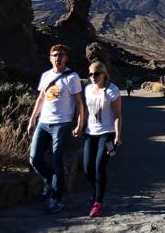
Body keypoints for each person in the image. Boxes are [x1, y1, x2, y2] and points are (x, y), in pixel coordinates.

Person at [28, 44, 85, 214]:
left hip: (62, 123)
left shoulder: (72, 77)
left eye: (61, 55)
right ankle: (50, 181)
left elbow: (79, 103)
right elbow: (40, 99)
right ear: (50, 58)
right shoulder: (46, 75)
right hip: (43, 122)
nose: (57, 58)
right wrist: (32, 119)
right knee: (35, 158)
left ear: (66, 58)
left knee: (57, 160)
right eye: (54, 55)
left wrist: (80, 124)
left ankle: (57, 199)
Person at [83, 61, 122, 217]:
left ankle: (98, 201)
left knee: (99, 167)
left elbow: (118, 115)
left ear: (104, 74)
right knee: (87, 169)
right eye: (91, 74)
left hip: (107, 134)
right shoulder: (87, 89)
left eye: (96, 73)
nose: (93, 76)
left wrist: (118, 135)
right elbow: (85, 111)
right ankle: (97, 190)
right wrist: (80, 127)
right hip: (90, 133)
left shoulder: (112, 90)